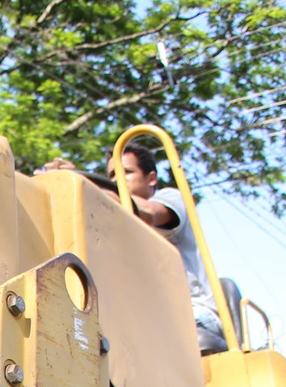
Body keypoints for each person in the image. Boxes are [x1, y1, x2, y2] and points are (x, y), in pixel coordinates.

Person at [44, 142, 228, 353]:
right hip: (148, 316)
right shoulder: (117, 224)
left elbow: (147, 211)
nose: (117, 181)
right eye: (112, 176)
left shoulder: (169, 198)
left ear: (151, 178)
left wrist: (84, 182)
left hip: (192, 313)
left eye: (127, 173)